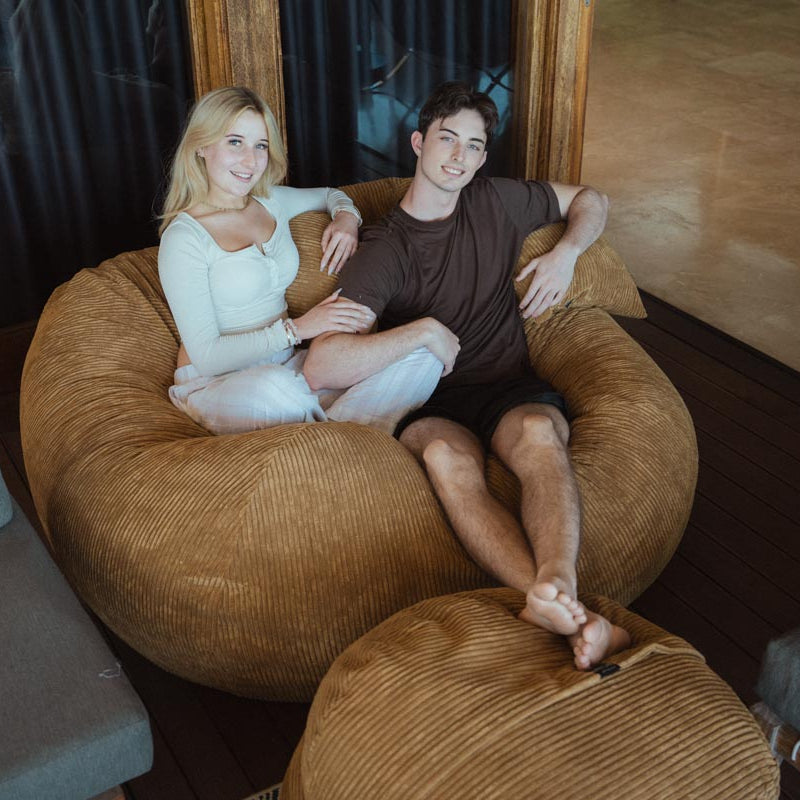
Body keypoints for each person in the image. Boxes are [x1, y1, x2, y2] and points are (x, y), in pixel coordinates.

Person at [303, 81, 631, 669]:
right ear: (417, 142)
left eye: (473, 146)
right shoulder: (386, 249)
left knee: (538, 436)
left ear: (483, 157)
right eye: (446, 139)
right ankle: (580, 618)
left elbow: (591, 198)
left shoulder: (496, 201)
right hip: (430, 400)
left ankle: (555, 590)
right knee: (448, 462)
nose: (458, 156)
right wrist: (421, 331)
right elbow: (322, 363)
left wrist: (566, 253)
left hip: (508, 384)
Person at [158, 86, 442, 435]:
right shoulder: (184, 238)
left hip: (290, 366)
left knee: (423, 356)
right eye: (235, 142)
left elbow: (332, 195)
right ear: (201, 146)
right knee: (276, 391)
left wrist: (347, 220)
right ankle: (353, 430)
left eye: (260, 145)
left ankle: (331, 433)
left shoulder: (271, 201)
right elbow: (208, 356)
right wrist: (300, 328)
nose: (250, 161)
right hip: (217, 383)